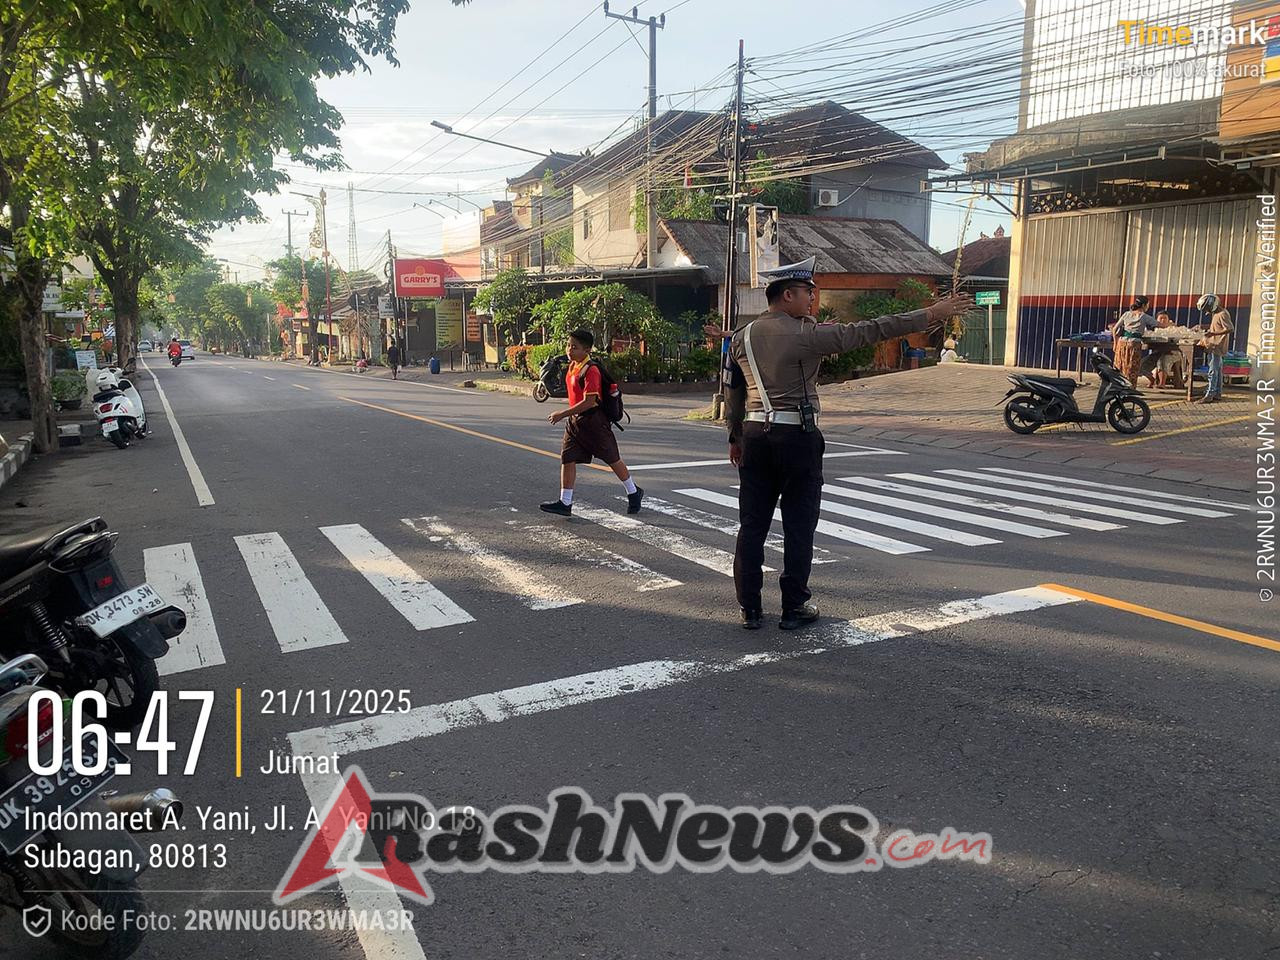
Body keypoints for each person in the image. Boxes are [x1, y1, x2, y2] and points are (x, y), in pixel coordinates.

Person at [725, 255, 973, 630]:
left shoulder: (741, 337)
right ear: (788, 295)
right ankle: (793, 607)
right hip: (798, 439)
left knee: (752, 525)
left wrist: (735, 437)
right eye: (808, 292)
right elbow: (872, 330)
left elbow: (733, 391)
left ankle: (750, 608)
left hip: (755, 436)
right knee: (798, 526)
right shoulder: (806, 335)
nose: (813, 298)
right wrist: (930, 313)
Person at [540, 328, 642, 517]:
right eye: (568, 345)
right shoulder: (572, 366)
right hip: (575, 421)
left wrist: (562, 413)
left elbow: (590, 402)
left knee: (612, 458)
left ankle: (633, 492)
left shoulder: (591, 370)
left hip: (594, 422)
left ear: (587, 350)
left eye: (574, 347)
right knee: (567, 458)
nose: (569, 350)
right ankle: (565, 502)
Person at [1196, 293, 1234, 403]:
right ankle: (1217, 393)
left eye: (1207, 308)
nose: (1206, 311)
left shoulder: (1222, 314)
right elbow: (1217, 326)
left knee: (1213, 371)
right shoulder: (1216, 313)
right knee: (1218, 371)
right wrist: (1203, 327)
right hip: (1214, 345)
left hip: (1217, 346)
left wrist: (1212, 334)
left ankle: (1210, 394)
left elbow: (1230, 328)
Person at [1110, 295, 1156, 386]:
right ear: (1144, 305)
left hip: (1122, 343)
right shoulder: (1144, 316)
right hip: (1134, 345)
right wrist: (1170, 324)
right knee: (1132, 368)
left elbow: (1114, 329)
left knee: (1120, 365)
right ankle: (1129, 388)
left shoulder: (1127, 314)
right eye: (1148, 305)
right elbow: (1158, 324)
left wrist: (1115, 344)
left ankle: (1118, 386)